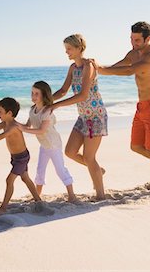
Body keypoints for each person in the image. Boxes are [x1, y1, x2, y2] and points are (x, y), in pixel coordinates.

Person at [90, 21, 150, 193]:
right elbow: (120, 65)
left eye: (137, 40)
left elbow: (130, 70)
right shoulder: (133, 53)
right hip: (142, 106)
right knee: (136, 146)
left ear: (148, 39)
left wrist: (100, 69)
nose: (133, 43)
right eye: (131, 39)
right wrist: (97, 69)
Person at [51, 34, 108, 201]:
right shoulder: (72, 68)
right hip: (83, 117)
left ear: (79, 48)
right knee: (70, 152)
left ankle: (100, 195)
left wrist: (57, 105)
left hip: (96, 117)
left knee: (89, 157)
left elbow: (83, 95)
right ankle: (98, 170)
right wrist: (45, 102)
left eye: (69, 49)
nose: (66, 52)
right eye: (66, 49)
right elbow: (63, 91)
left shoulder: (89, 66)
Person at [0, 97, 41, 216]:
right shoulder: (5, 123)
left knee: (9, 180)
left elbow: (0, 136)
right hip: (16, 157)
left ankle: (3, 208)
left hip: (21, 158)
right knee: (25, 178)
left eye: (0, 112)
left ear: (9, 113)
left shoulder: (13, 126)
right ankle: (38, 200)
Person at [17, 81, 77, 202]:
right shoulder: (32, 110)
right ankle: (37, 195)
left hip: (53, 144)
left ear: (44, 95)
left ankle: (72, 195)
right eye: (32, 93)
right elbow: (27, 125)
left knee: (60, 170)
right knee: (40, 170)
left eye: (36, 94)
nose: (33, 96)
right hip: (44, 145)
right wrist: (14, 125)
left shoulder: (47, 111)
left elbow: (41, 130)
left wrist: (23, 129)